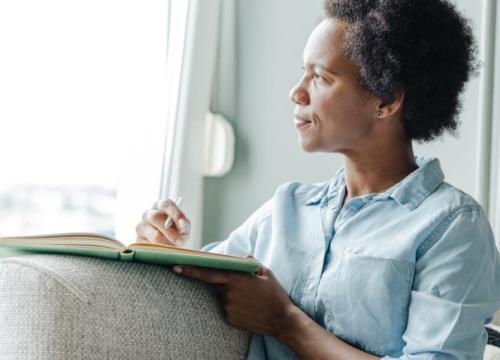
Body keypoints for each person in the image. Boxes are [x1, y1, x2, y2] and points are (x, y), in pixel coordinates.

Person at [135, 0, 500, 358]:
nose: (297, 92)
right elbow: (197, 281)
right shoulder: (287, 208)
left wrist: (285, 322)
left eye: (320, 77)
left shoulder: (452, 227)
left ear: (385, 101)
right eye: (302, 72)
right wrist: (161, 243)